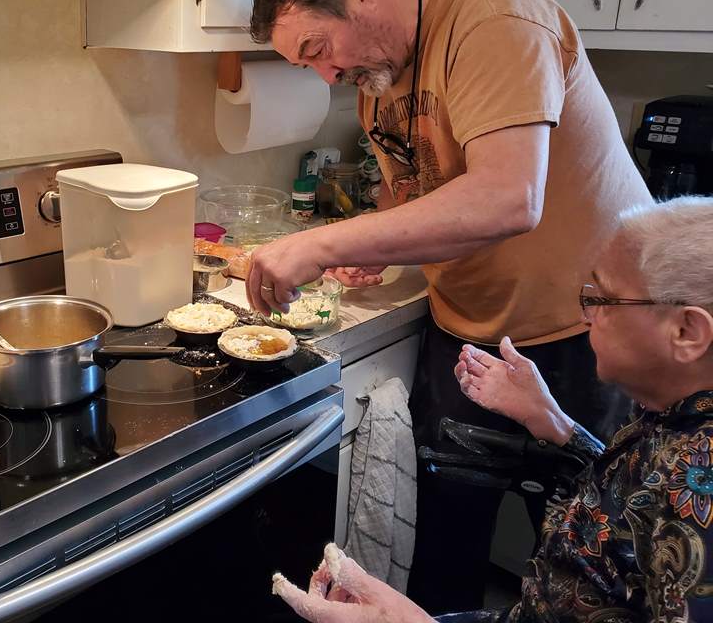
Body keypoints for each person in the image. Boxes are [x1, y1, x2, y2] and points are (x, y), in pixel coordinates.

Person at [246, 0, 652, 612]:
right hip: (466, 327)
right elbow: (420, 191)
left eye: (317, 49)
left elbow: (507, 197)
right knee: (445, 542)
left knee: (586, 560)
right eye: (305, 64)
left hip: (585, 329)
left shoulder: (494, 19)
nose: (325, 74)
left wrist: (321, 243)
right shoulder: (378, 82)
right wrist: (382, 246)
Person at [271, 196, 713, 623]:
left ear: (687, 331)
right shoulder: (669, 415)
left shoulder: (700, 483)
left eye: (606, 300)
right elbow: (629, 512)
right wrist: (553, 423)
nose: (585, 316)